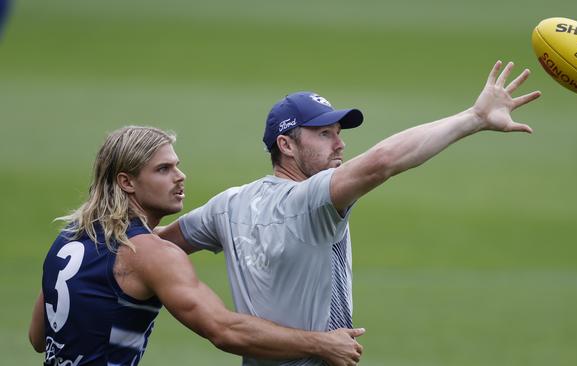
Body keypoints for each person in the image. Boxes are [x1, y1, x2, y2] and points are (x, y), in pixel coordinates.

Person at [158, 60, 542, 366]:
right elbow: (384, 160)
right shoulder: (312, 200)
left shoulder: (228, 205)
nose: (340, 145)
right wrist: (474, 118)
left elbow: (155, 247)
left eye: (339, 132)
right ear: (286, 145)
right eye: (325, 134)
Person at [28, 126, 364, 366]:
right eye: (163, 169)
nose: (180, 176)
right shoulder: (150, 254)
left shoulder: (70, 237)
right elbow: (223, 330)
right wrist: (321, 343)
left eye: (176, 165)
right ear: (126, 182)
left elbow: (39, 337)